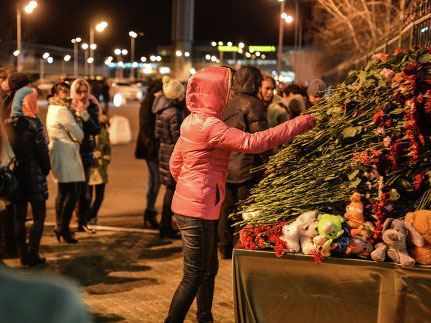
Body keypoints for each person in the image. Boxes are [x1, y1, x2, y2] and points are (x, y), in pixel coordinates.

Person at [165, 66, 315, 322]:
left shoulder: (192, 120)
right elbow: (253, 143)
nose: (230, 93)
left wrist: (190, 188)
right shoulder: (209, 125)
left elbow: (175, 164)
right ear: (214, 92)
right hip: (197, 208)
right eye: (226, 88)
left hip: (198, 204)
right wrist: (302, 122)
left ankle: (205, 318)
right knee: (193, 276)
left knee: (208, 270)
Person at [220, 65, 269, 259]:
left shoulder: (229, 104)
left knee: (226, 209)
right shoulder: (254, 104)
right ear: (255, 81)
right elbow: (262, 140)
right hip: (246, 168)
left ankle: (224, 247)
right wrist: (269, 163)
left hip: (227, 165)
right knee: (244, 211)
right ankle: (238, 249)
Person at [4, 73, 50, 266]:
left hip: (16, 176)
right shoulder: (34, 124)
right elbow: (43, 152)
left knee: (19, 217)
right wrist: (46, 169)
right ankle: (33, 254)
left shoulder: (8, 125)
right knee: (39, 216)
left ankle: (22, 254)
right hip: (35, 174)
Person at [46, 82, 84, 244]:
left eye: (68, 92)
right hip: (66, 153)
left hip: (59, 152)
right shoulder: (62, 110)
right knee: (72, 192)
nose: (67, 95)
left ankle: (59, 226)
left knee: (63, 191)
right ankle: (64, 229)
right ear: (55, 95)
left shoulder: (51, 108)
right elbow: (78, 133)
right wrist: (79, 121)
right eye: (63, 92)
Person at [153, 76, 184, 239]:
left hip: (163, 151)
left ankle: (165, 224)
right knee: (171, 190)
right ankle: (166, 225)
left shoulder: (161, 110)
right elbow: (179, 138)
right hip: (172, 153)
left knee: (169, 189)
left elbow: (158, 133)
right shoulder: (174, 113)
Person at [70, 79, 100, 233]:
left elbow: (96, 129)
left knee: (85, 191)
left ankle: (82, 221)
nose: (82, 95)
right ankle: (65, 223)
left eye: (85, 91)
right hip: (71, 153)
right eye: (79, 92)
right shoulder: (68, 106)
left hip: (86, 153)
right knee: (70, 190)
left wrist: (84, 115)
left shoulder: (93, 106)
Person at [135, 80, 163, 229]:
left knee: (153, 181)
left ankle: (149, 211)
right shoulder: (148, 103)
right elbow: (145, 126)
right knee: (155, 181)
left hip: (152, 148)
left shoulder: (153, 101)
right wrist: (154, 143)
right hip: (150, 149)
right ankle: (150, 211)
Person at [88, 112, 111, 227]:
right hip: (90, 167)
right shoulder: (88, 127)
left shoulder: (104, 131)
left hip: (101, 168)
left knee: (100, 196)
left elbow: (108, 147)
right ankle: (86, 217)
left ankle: (92, 215)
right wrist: (91, 154)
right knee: (88, 196)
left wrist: (105, 159)